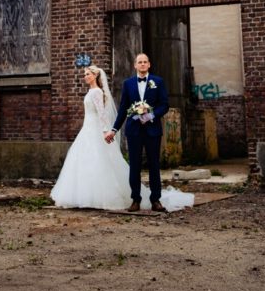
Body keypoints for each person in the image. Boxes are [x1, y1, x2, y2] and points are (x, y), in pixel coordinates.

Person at [50, 64, 192, 212]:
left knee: (104, 160)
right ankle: (85, 196)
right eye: (85, 74)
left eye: (87, 74)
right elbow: (119, 109)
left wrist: (107, 130)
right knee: (88, 161)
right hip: (89, 128)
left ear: (95, 76)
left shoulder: (97, 92)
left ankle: (149, 199)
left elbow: (102, 113)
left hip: (106, 129)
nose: (85, 76)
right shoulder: (94, 91)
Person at [104, 53, 176, 212]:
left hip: (152, 130)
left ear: (149, 65)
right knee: (134, 165)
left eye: (145, 62)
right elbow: (123, 109)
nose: (142, 64)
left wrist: (151, 115)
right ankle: (135, 200)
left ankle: (155, 200)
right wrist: (114, 129)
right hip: (133, 130)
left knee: (154, 165)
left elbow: (164, 105)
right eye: (139, 62)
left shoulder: (158, 82)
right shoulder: (127, 84)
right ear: (135, 65)